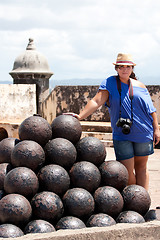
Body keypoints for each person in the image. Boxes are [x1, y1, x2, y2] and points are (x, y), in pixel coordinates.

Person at [64, 53, 160, 191]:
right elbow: (96, 101)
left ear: (132, 68)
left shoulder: (140, 86)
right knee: (126, 172)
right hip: (122, 132)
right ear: (116, 69)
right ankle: (135, 198)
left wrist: (156, 129)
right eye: (121, 67)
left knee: (142, 168)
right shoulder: (109, 83)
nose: (125, 70)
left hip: (143, 131)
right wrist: (80, 116)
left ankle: (143, 201)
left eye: (128, 67)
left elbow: (151, 110)